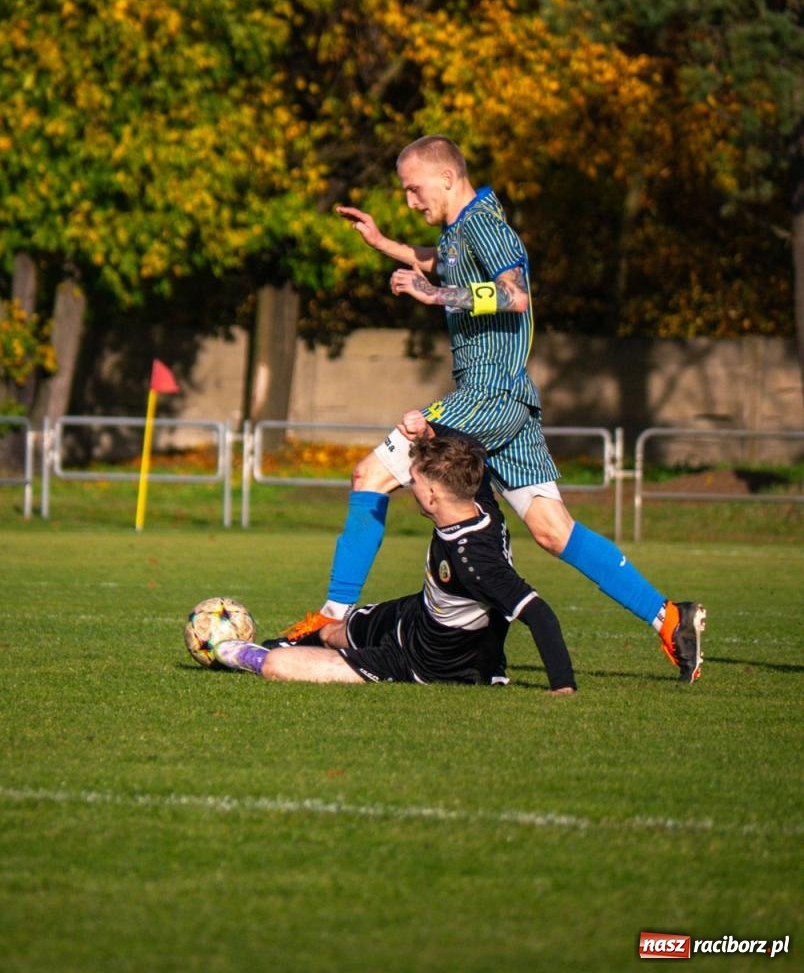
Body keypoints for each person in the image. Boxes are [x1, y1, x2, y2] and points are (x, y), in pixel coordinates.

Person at [283, 134, 706, 683]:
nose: (411, 201)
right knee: (553, 531)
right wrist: (385, 243)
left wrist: (435, 296)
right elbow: (446, 262)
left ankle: (333, 617)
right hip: (509, 400)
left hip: (486, 394)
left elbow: (515, 294)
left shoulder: (485, 222)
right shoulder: (460, 229)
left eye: (414, 189)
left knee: (369, 476)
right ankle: (670, 618)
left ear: (447, 178)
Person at [216, 432, 576, 693]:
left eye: (414, 481)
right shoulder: (476, 497)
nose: (409, 486)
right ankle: (283, 641)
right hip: (415, 616)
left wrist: (562, 686)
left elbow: (539, 614)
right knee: (330, 631)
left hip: (428, 663)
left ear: (433, 494)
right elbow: (471, 447)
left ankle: (235, 651)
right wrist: (426, 430)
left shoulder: (475, 561)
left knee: (278, 666)